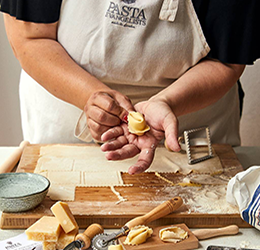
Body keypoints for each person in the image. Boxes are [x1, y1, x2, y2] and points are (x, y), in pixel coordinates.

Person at [0, 0, 259, 174]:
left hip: (192, 128)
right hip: (65, 127)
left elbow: (226, 61)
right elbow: (30, 38)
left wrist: (167, 102)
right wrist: (90, 96)